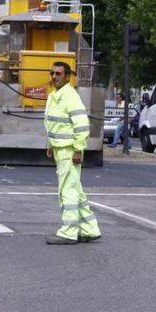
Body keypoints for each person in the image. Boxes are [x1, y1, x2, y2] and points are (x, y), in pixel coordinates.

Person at [43, 61, 101, 245]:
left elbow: (82, 125)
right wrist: (50, 144)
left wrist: (78, 149)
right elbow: (54, 123)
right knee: (76, 190)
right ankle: (90, 229)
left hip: (68, 150)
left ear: (68, 77)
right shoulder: (56, 95)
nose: (54, 77)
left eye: (58, 74)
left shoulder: (70, 96)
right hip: (61, 148)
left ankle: (68, 232)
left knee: (67, 191)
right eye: (52, 73)